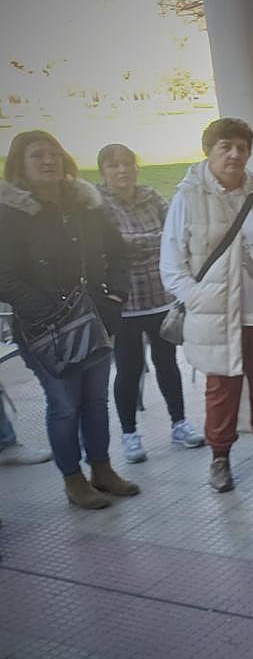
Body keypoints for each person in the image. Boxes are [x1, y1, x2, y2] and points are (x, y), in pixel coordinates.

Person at [161, 117, 253, 493]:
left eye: (242, 148)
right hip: (219, 314)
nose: (234, 154)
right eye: (225, 146)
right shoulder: (188, 197)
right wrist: (198, 300)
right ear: (208, 150)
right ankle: (220, 457)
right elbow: (171, 265)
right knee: (222, 388)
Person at [0, 130, 138, 508]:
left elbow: (118, 252)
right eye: (37, 156)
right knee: (64, 405)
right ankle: (73, 479)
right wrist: (50, 312)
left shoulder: (85, 204)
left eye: (54, 154)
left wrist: (115, 295)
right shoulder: (9, 214)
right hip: (45, 330)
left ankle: (102, 470)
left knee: (95, 401)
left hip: (95, 321)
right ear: (19, 166)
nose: (48, 161)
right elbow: (4, 276)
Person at [96, 143, 204, 462]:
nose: (122, 170)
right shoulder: (97, 207)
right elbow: (109, 249)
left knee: (167, 363)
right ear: (103, 172)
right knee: (128, 370)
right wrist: (149, 243)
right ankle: (129, 434)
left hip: (160, 297)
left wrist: (133, 246)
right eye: (113, 166)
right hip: (124, 303)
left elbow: (174, 237)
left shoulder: (151, 197)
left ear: (136, 167)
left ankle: (179, 423)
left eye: (127, 163)